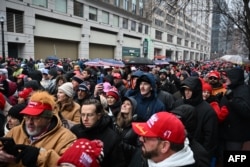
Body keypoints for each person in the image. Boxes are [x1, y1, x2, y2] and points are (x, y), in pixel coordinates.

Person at [0, 91, 77, 167]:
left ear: (48, 118)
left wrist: (39, 157)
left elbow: (68, 164)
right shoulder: (15, 131)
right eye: (27, 116)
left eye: (36, 118)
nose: (30, 122)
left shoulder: (66, 138)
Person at [70, 98, 126, 167]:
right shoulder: (74, 131)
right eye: (83, 115)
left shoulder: (112, 138)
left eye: (90, 115)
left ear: (98, 116)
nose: (85, 119)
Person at [174, 76, 218, 161]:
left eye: (190, 90)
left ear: (196, 91)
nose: (187, 93)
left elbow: (210, 137)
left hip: (197, 153)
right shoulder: (178, 104)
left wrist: (203, 156)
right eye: (185, 89)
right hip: (178, 152)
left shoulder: (207, 110)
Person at [131, 111, 195, 167]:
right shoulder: (145, 153)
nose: (141, 139)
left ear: (164, 146)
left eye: (146, 137)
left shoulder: (148, 151)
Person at [220, 68, 250, 151]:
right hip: (228, 132)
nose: (225, 78)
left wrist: (232, 100)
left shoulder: (244, 90)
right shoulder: (232, 88)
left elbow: (246, 111)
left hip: (236, 135)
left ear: (235, 78)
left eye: (228, 76)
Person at [112, 96, 139, 166]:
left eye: (128, 104)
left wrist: (122, 145)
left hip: (127, 162)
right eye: (123, 103)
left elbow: (138, 150)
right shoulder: (114, 121)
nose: (124, 105)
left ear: (133, 109)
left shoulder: (137, 127)